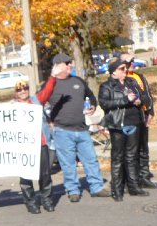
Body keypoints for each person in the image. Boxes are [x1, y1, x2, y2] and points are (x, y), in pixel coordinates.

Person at [46, 54, 111, 203]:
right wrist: (49, 120)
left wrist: (93, 104)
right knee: (68, 163)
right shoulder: (50, 84)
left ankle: (96, 187)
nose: (70, 65)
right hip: (62, 131)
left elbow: (90, 95)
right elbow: (40, 100)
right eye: (67, 63)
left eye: (70, 63)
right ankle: (73, 190)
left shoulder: (78, 81)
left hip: (82, 129)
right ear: (58, 65)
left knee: (91, 160)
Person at [98, 58, 150, 201]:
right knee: (117, 157)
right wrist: (125, 100)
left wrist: (140, 101)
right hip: (118, 125)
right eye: (122, 69)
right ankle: (117, 189)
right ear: (114, 71)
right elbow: (104, 103)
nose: (125, 71)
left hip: (134, 122)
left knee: (132, 156)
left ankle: (134, 186)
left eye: (125, 68)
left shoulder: (131, 83)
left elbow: (144, 96)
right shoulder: (107, 86)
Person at [11, 71, 58, 213]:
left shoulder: (36, 100)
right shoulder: (12, 108)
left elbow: (48, 90)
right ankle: (30, 202)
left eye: (25, 88)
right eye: (19, 90)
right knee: (26, 176)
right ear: (16, 92)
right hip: (23, 146)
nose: (23, 91)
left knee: (45, 174)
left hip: (40, 143)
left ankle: (46, 199)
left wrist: (53, 76)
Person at [119, 53, 157, 189]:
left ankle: (144, 175)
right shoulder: (123, 79)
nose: (133, 64)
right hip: (130, 119)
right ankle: (132, 177)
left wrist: (150, 111)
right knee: (131, 150)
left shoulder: (139, 76)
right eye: (129, 62)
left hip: (143, 115)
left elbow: (147, 95)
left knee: (143, 148)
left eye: (133, 61)